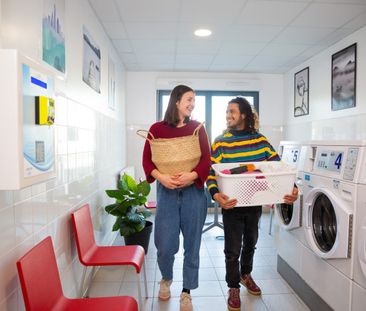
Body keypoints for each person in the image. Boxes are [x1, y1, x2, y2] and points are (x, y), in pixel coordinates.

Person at [206, 97, 298, 311]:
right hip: (232, 205)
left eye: (232, 112)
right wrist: (216, 195)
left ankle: (245, 275)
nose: (228, 116)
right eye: (227, 112)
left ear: (244, 115)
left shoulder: (260, 141)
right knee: (232, 249)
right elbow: (211, 173)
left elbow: (279, 169)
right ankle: (233, 286)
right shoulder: (221, 142)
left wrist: (293, 188)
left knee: (251, 243)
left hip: (254, 202)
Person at [142, 85, 211, 311]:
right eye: (189, 99)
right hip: (167, 193)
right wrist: (161, 177)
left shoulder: (197, 128)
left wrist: (192, 175)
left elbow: (206, 161)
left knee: (192, 244)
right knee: (165, 243)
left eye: (194, 100)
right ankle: (166, 279)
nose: (192, 104)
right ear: (176, 101)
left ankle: (186, 292)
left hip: (193, 194)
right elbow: (147, 162)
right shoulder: (157, 129)